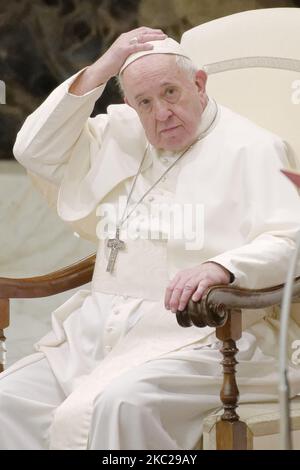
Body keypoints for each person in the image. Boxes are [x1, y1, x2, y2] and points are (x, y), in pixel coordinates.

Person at [1, 26, 300, 450]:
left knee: (117, 405)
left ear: (198, 84)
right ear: (130, 105)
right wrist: (103, 68)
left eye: (171, 93)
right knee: (6, 400)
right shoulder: (122, 134)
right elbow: (33, 150)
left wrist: (222, 267)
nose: (161, 114)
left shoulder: (253, 149)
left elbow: (291, 238)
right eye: (145, 102)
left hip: (201, 333)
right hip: (101, 330)